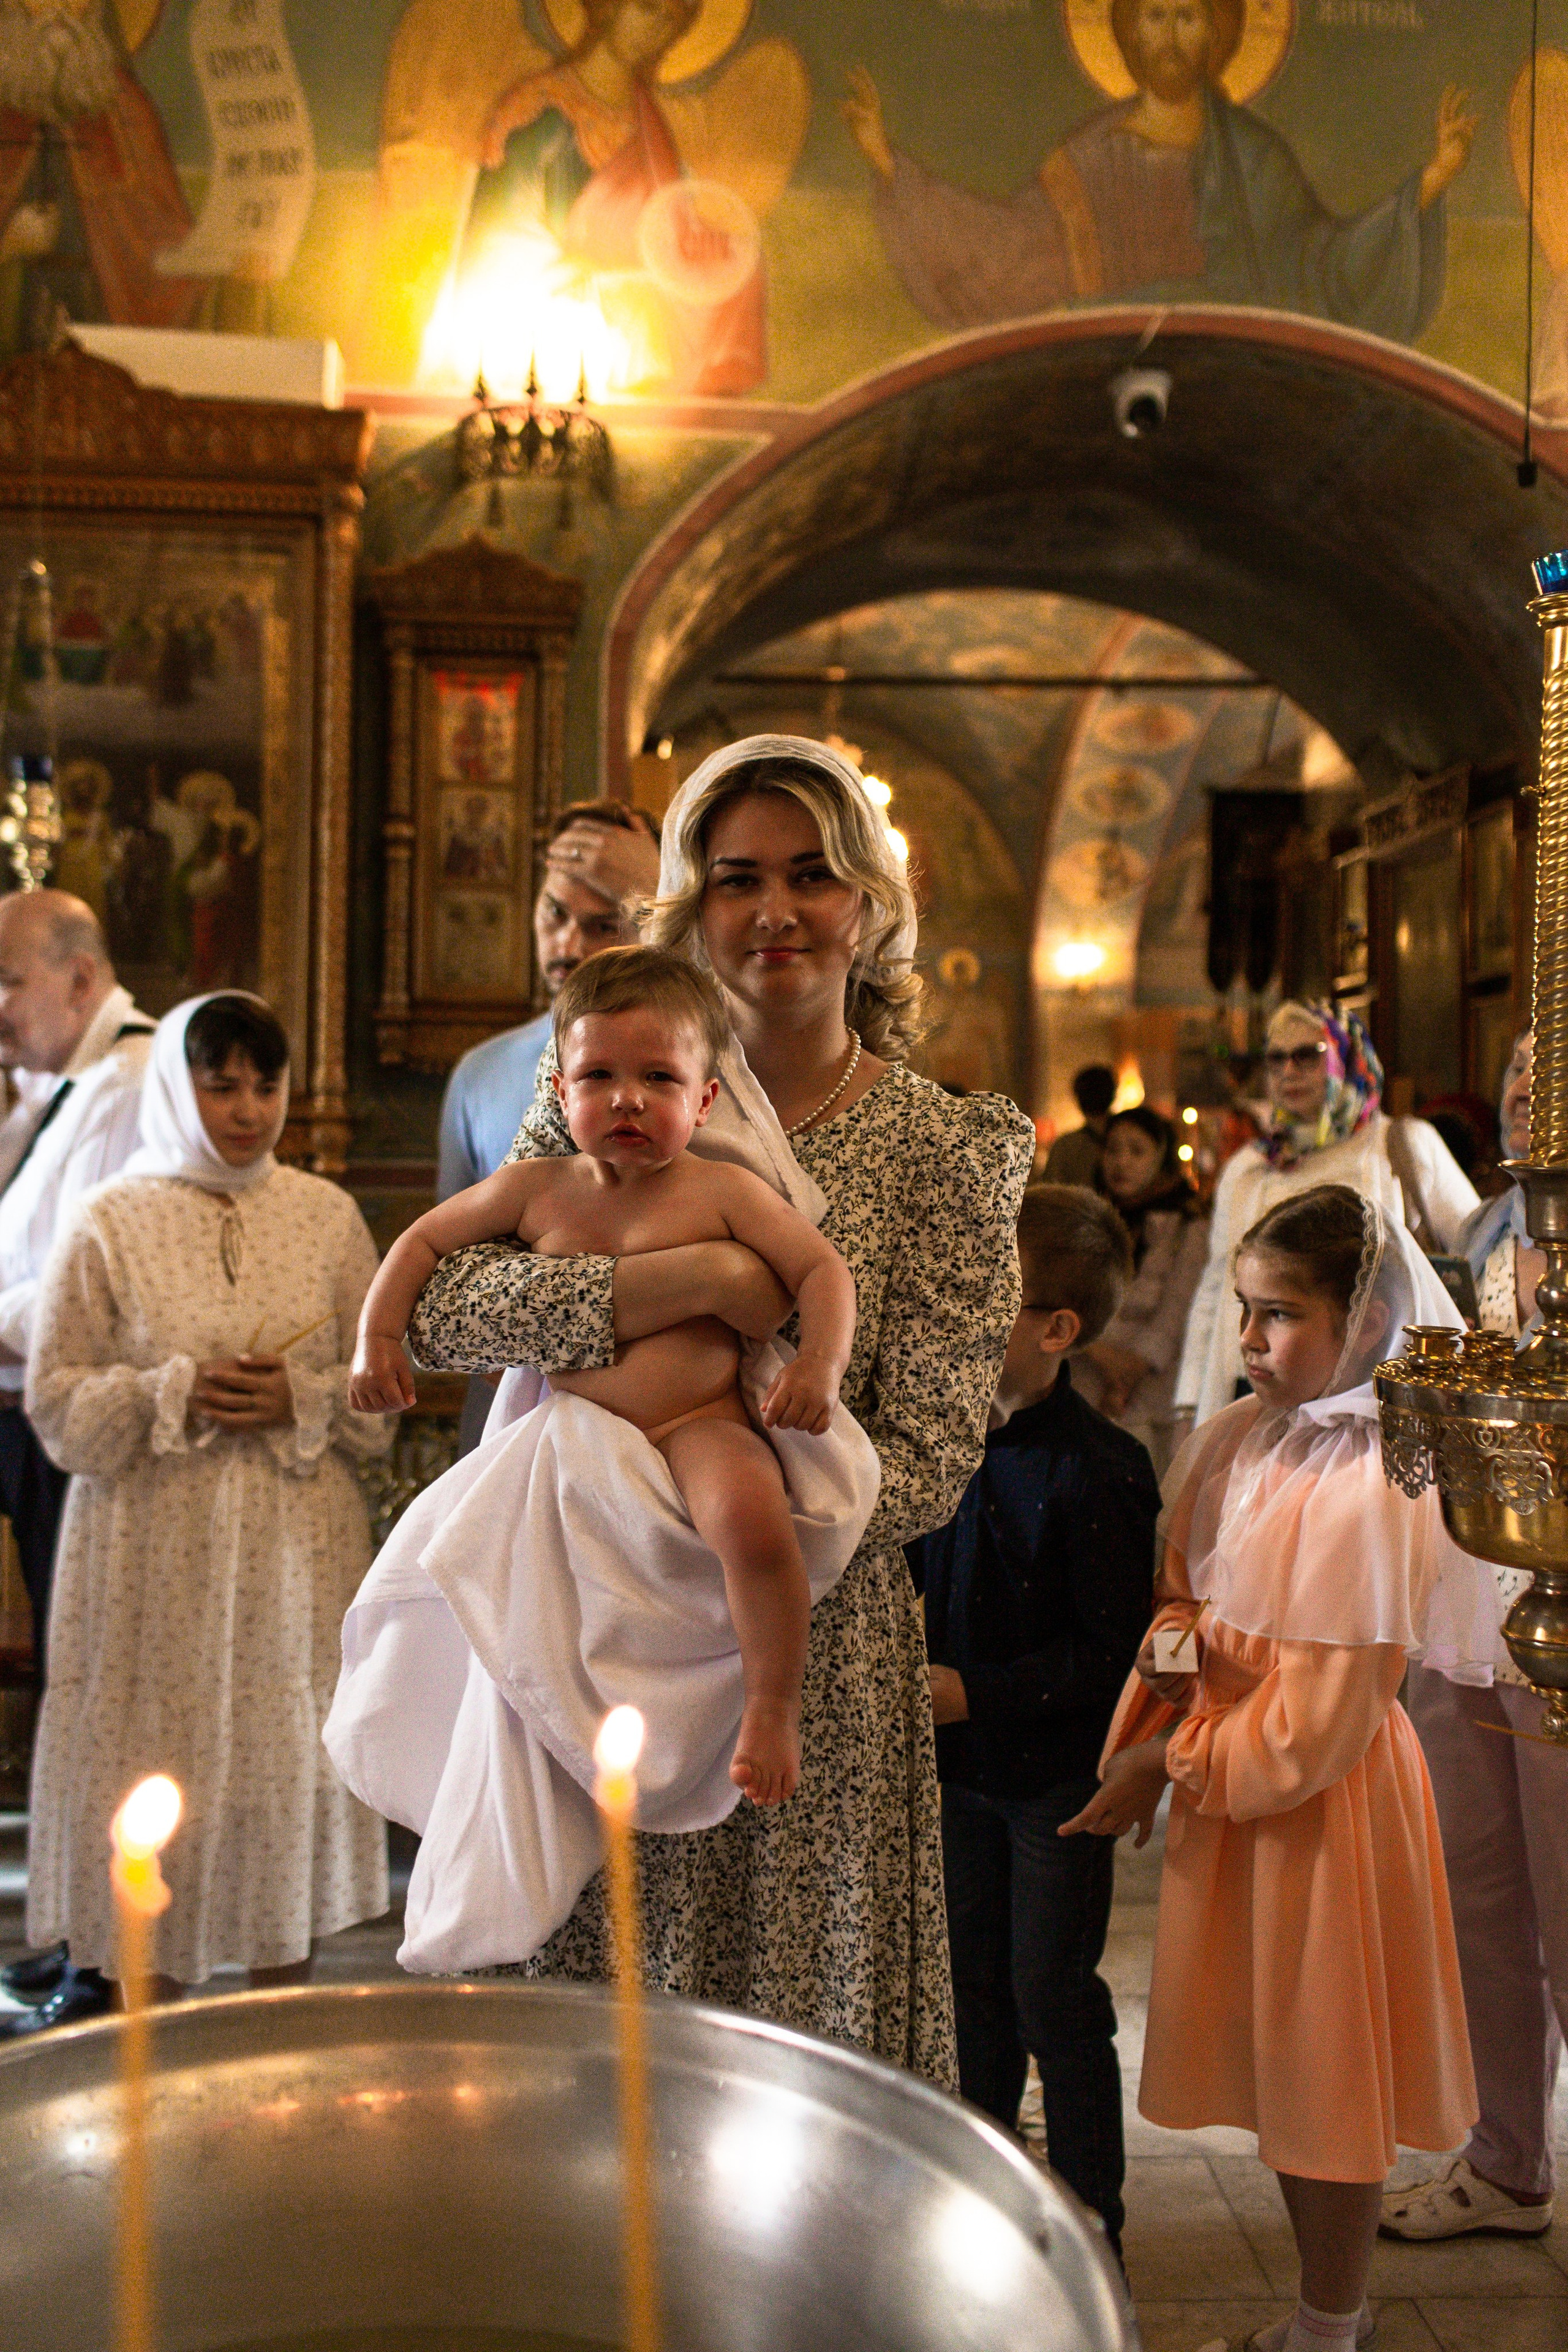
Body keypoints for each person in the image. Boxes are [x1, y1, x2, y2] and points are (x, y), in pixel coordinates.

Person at [398, 734, 1035, 2080]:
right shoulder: (596, 1094)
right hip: (586, 1620)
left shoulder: (945, 1146)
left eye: (812, 875)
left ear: (868, 902)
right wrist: (699, 1282)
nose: (774, 912)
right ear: (689, 906)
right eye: (736, 878)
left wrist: (727, 1509)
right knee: (590, 2070)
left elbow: (926, 1452)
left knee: (798, 2087)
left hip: (803, 1646)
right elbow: (448, 1311)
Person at [1066, 1186, 1499, 2352]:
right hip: (1237, 1782)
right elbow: (1186, 1595)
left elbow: (1315, 1725)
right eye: (1245, 1313)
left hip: (1324, 1805)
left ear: (1365, 1322)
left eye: (1282, 1317)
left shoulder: (1370, 1486)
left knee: (1326, 2074)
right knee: (1279, 2068)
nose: (1251, 1342)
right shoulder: (1236, 1438)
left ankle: (1329, 2322)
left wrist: (1171, 1756)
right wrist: (1165, 1675)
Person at [350, 943, 863, 1807]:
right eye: (600, 1077)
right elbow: (422, 1244)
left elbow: (822, 1271)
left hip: (698, 1422)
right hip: (576, 1442)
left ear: (703, 1101)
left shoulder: (722, 1191)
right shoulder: (534, 1188)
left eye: (659, 1079)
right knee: (491, 1570)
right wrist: (378, 1340)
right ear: (559, 1091)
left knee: (752, 1518)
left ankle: (771, 1707)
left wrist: (818, 1363)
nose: (628, 1097)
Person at [13, 993, 392, 2017]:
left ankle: (277, 2047)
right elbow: (56, 1406)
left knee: (282, 1774)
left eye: (265, 1083)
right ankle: (155, 2051)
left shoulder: (327, 1216)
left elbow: (378, 1402)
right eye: (220, 1082)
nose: (247, 1107)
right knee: (154, 1773)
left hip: (291, 1550)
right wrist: (171, 1389)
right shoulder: (111, 1217)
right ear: (179, 1088)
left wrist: (297, 1396)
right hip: (148, 1551)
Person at [909, 1184, 1159, 2257]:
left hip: (1054, 1782)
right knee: (971, 1989)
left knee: (1052, 1993)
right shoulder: (941, 1438)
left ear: (1055, 1330)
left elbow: (1106, 1656)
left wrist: (977, 1691)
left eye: (985, 1301)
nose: (959, 1318)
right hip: (958, 1774)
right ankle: (983, 2183)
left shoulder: (1101, 1469)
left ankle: (1092, 2212)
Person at [1382, 1027, 1567, 2244]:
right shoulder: (1493, 1228)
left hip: (1554, 1616)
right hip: (1466, 1598)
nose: (1520, 1097)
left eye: (1542, 1079)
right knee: (1481, 1899)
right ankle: (1504, 2160)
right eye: (1511, 1078)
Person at [843, 9, 1472, 339]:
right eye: (1154, 15)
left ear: (1215, 37)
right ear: (1127, 33)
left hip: (1240, 371)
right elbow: (1005, 250)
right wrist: (890, 165)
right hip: (1098, 367)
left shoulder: (1255, 157)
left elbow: (1322, 266)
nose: (1170, 35)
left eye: (1187, 16)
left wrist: (1426, 185)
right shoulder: (1087, 157)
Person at [0, 890, 156, 2025]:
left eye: (8, 984)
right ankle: (66, 1936)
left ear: (81, 974)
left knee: (98, 1680)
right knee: (64, 1685)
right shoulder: (58, 1090)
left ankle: (106, 1957)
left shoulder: (135, 1079)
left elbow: (83, 1285)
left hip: (78, 1423)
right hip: (23, 1408)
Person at [437, 800, 661, 1455]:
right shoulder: (481, 1073)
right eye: (555, 915)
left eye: (603, 923)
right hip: (505, 1421)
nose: (570, 945)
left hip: (654, 1422)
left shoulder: (693, 1073)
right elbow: (448, 1282)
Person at [1175, 1000, 1477, 1427]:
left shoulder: (1400, 1144)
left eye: (1307, 1055)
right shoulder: (1250, 1165)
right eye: (1276, 1058)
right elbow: (1217, 1284)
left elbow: (1477, 1247)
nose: (1288, 1071)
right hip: (1252, 1379)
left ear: (1345, 1057)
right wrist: (1190, 1400)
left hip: (1369, 1383)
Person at [1073, 1104, 1209, 1477]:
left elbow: (1179, 1309)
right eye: (1113, 1149)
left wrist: (1129, 1371)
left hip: (1148, 1393)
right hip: (1085, 1380)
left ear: (1160, 1158)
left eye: (1137, 1151)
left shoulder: (1185, 1226)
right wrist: (1097, 1352)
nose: (1121, 1162)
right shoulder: (1085, 1220)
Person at [1042, 1063, 1117, 1188]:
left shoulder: (1065, 1146)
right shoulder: (1132, 1139)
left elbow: (1050, 1191)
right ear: (1114, 1095)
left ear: (1079, 1099)